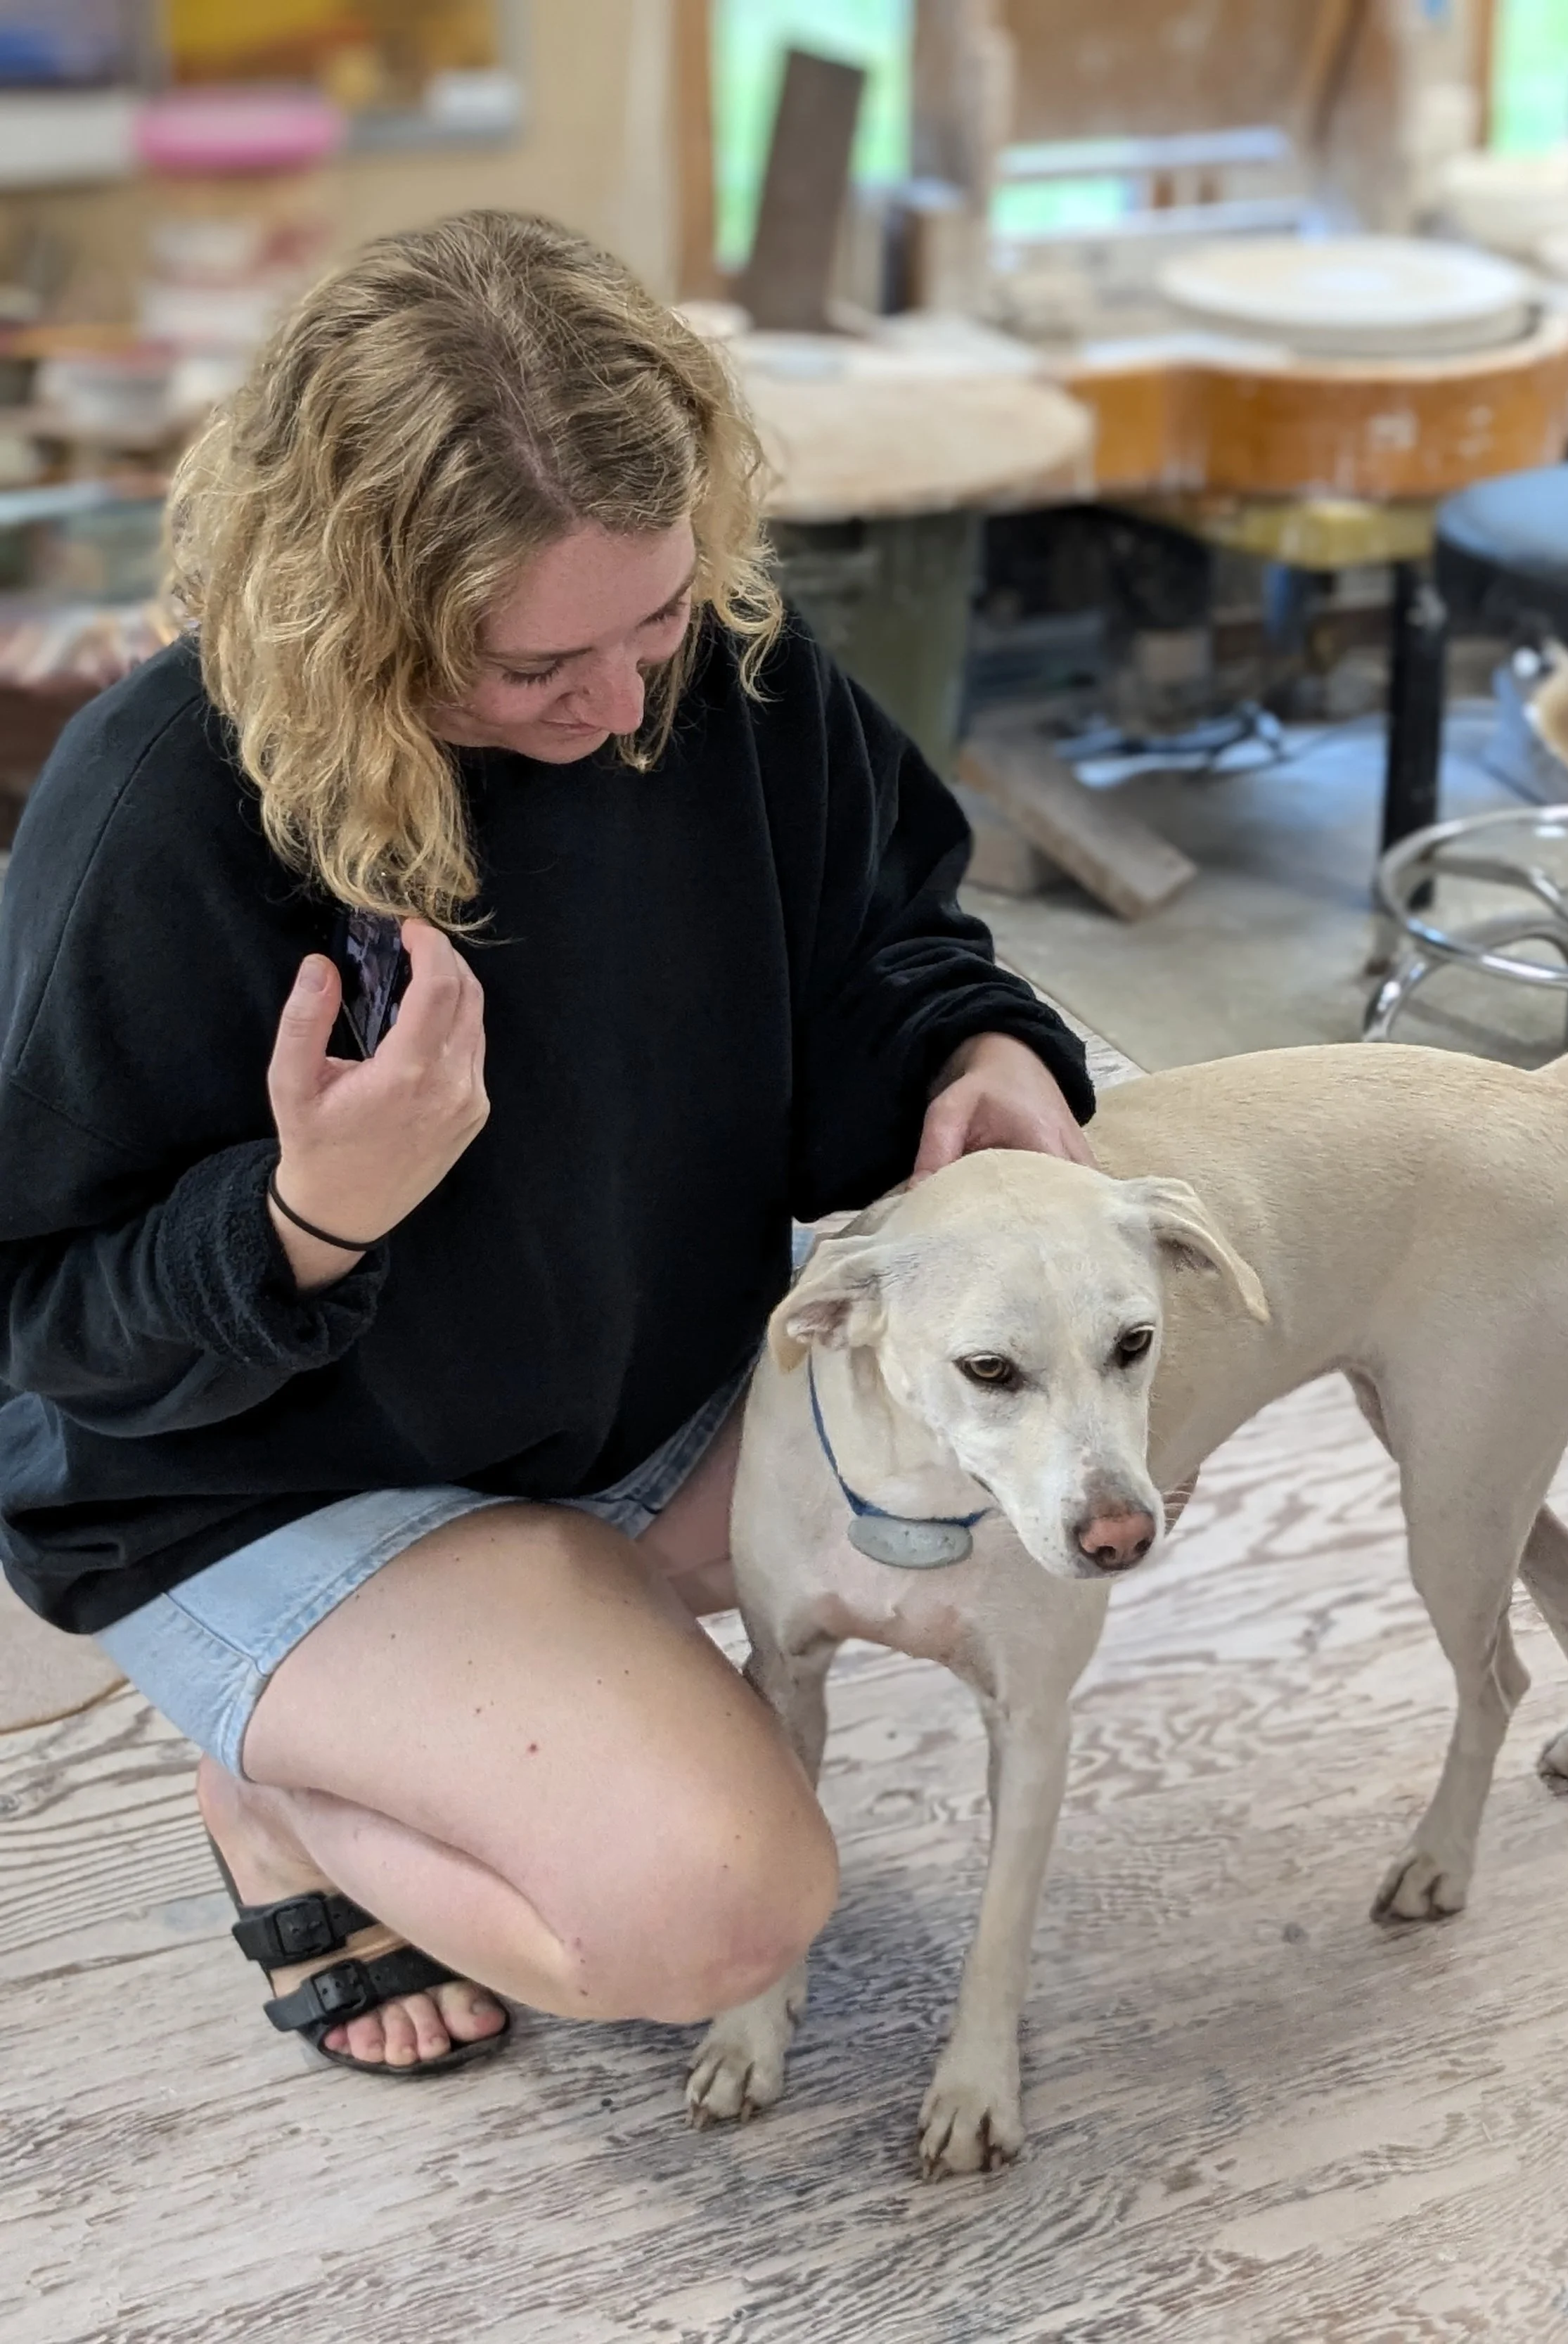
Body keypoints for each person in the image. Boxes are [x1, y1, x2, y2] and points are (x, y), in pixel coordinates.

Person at [0, 211, 1095, 2075]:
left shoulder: (709, 669)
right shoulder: (158, 807)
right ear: (359, 614)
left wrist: (976, 1047)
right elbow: (40, 1320)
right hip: (262, 1479)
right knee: (718, 1912)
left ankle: (493, 1674)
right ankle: (276, 1798)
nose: (622, 703)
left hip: (638, 1405)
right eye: (531, 669)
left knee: (1068, 1441)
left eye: (656, 618)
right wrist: (306, 1223)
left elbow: (887, 941)